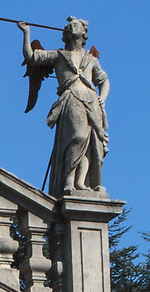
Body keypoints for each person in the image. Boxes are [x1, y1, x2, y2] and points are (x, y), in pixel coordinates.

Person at [20, 16, 109, 193]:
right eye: (67, 25)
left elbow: (104, 80)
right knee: (77, 137)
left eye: (73, 25)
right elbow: (31, 57)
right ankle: (68, 181)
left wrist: (102, 98)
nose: (69, 27)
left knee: (91, 146)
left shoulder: (90, 60)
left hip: (92, 101)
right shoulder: (59, 55)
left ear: (84, 32)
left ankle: (81, 183)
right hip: (72, 99)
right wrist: (26, 34)